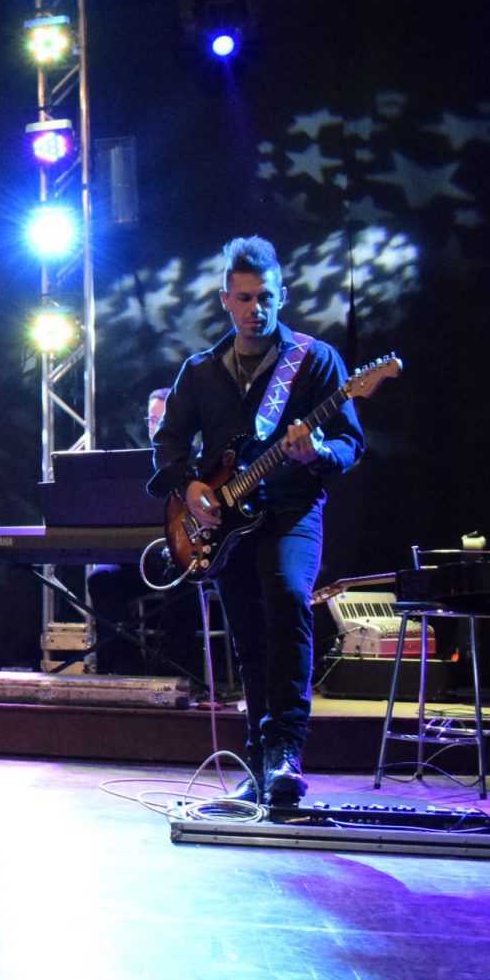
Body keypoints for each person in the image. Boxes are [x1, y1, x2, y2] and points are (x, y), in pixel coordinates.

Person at [149, 236, 365, 808]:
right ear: (225, 299)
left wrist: (317, 451)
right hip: (226, 523)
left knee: (289, 600)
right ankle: (262, 761)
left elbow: (350, 442)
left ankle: (286, 751)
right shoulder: (200, 371)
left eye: (265, 297)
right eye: (244, 298)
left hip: (292, 509)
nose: (255, 309)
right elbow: (168, 442)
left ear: (281, 296)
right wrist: (189, 486)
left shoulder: (315, 361)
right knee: (248, 634)